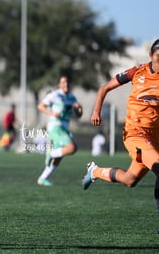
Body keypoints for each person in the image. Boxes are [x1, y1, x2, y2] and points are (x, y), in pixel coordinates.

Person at [82, 39, 159, 218]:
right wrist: (96, 112)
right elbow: (105, 88)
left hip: (155, 137)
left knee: (130, 180)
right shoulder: (137, 72)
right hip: (135, 133)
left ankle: (95, 171)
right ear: (151, 56)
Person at [36, 75, 82, 186]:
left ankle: (42, 179)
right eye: (63, 82)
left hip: (64, 129)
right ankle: (51, 154)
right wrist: (52, 113)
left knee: (59, 157)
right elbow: (40, 106)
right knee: (72, 148)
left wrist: (79, 108)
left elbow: (79, 115)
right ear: (59, 85)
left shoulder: (72, 97)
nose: (66, 84)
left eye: (67, 82)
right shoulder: (55, 95)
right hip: (55, 127)